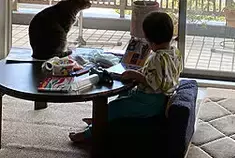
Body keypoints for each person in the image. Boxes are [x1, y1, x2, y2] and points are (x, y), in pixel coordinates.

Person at [69, 11, 183, 145]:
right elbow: (163, 74)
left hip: (151, 102)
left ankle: (89, 133)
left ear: (150, 40)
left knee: (114, 107)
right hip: (159, 99)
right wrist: (138, 73)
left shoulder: (158, 57)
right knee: (123, 95)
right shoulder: (175, 52)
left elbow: (156, 83)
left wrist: (137, 76)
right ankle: (101, 119)